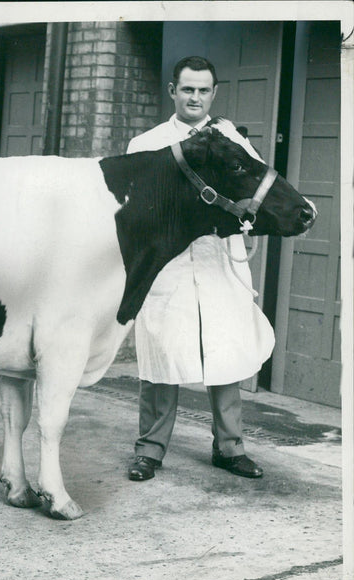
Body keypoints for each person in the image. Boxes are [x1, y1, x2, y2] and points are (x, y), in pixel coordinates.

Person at [126, 56, 274, 481]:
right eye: (187, 89)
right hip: (168, 267)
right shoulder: (146, 145)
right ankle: (149, 450)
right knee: (161, 356)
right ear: (172, 91)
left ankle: (230, 448)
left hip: (218, 262)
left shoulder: (233, 142)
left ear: (214, 93)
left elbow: (258, 193)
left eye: (203, 90)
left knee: (226, 352)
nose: (195, 97)